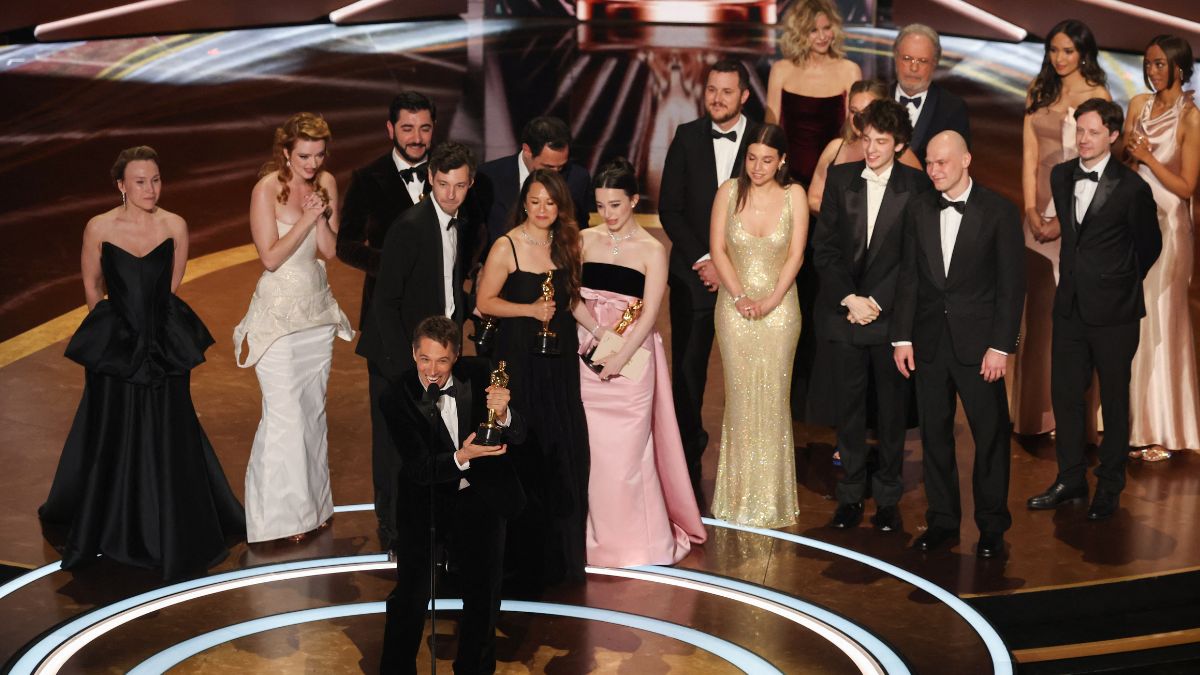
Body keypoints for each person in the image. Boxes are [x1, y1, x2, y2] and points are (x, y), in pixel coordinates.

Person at [39, 146, 245, 579]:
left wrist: (149, 332)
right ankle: (112, 526)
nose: (150, 188)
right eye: (140, 181)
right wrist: (117, 336)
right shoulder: (98, 227)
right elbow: (93, 289)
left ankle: (167, 527)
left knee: (168, 431)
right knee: (113, 431)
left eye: (155, 179)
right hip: (117, 348)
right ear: (121, 186)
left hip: (163, 345)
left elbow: (170, 286)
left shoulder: (175, 225)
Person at [1027, 98, 1161, 520]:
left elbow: (1149, 246)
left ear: (1113, 136)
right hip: (1070, 306)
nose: (1084, 140)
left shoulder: (1132, 187)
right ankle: (1069, 478)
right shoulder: (1063, 175)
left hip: (1115, 313)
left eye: (1093, 133)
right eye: (1080, 131)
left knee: (1115, 402)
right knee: (1066, 395)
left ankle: (1109, 486)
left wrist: (1115, 282)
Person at [892, 132, 1025, 558]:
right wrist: (902, 336)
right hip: (930, 343)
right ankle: (943, 521)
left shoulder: (999, 211)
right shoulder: (918, 208)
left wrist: (1001, 346)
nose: (933, 171)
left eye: (942, 163)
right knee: (934, 436)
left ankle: (991, 527)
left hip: (980, 347)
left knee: (989, 437)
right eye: (929, 163)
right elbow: (909, 277)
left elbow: (1011, 286)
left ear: (966, 159)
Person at [571, 158, 707, 566]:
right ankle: (594, 540)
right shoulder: (583, 239)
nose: (608, 214)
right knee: (593, 454)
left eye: (616, 204)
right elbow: (570, 296)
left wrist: (620, 355)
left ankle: (636, 543)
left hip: (633, 360)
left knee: (627, 457)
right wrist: (599, 338)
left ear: (633, 200)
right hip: (588, 354)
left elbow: (648, 314)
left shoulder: (651, 249)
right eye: (601, 205)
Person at [377, 316, 527, 674]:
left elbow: (520, 435)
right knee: (411, 598)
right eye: (425, 359)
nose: (432, 370)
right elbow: (418, 468)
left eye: (442, 360)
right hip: (425, 503)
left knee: (483, 596)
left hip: (479, 499)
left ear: (456, 356)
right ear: (413, 354)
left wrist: (505, 415)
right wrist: (463, 456)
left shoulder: (481, 374)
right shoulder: (395, 397)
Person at [234, 113, 354, 544]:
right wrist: (305, 218)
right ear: (285, 152)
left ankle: (315, 510)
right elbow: (269, 257)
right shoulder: (266, 189)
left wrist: (320, 215)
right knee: (284, 415)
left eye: (319, 155)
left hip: (316, 315)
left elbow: (329, 250)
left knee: (312, 413)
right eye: (304, 155)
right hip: (279, 319)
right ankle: (275, 522)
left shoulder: (328, 183)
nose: (312, 163)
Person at [355, 141, 480, 549]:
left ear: (470, 183)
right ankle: (392, 532)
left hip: (435, 354)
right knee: (394, 448)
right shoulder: (409, 227)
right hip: (399, 356)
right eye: (443, 184)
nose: (450, 194)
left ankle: (432, 530)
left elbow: (450, 285)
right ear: (431, 178)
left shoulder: (463, 222)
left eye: (459, 185)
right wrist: (405, 367)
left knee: (435, 441)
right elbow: (385, 302)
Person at [814, 98, 930, 532]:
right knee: (849, 412)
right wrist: (849, 298)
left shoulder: (915, 187)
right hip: (845, 314)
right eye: (867, 139)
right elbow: (824, 248)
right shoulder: (841, 178)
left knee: (892, 413)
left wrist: (876, 302)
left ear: (899, 144)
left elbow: (913, 258)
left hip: (890, 320)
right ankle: (849, 496)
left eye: (881, 141)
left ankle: (887, 499)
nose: (872, 149)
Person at [476, 169, 590, 592]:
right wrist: (529, 311)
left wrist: (603, 335)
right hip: (519, 359)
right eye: (536, 201)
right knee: (525, 447)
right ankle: (519, 559)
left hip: (558, 363)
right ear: (524, 201)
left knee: (562, 448)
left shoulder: (567, 244)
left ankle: (560, 557)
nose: (543, 210)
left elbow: (572, 300)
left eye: (551, 203)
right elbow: (485, 302)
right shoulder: (506, 246)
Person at [337, 91, 438, 549]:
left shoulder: (450, 175)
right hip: (386, 326)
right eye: (407, 129)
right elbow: (346, 246)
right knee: (391, 432)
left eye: (424, 129)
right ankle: (393, 526)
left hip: (441, 328)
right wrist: (398, 266)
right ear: (390, 129)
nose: (416, 138)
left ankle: (436, 522)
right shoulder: (368, 178)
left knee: (440, 423)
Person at [659, 58, 761, 505]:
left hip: (751, 280)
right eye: (711, 90)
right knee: (688, 373)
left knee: (750, 375)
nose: (717, 98)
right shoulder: (685, 137)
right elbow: (670, 209)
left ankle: (752, 464)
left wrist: (733, 268)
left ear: (744, 96)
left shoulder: (762, 139)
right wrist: (706, 260)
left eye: (726, 91)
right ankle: (686, 457)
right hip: (693, 277)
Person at [1013, 20, 1111, 437]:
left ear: (1084, 53)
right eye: (1054, 50)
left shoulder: (1098, 96)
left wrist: (1063, 221)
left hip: (1076, 217)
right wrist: (1032, 210)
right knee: (1038, 312)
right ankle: (1034, 412)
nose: (1059, 58)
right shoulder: (1040, 90)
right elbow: (1029, 155)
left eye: (1068, 51)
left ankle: (1070, 419)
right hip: (1036, 213)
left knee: (1070, 315)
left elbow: (1099, 167)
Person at [709, 124, 808, 528]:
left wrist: (769, 300)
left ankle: (772, 501)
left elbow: (796, 255)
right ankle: (736, 499)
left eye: (767, 160)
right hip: (734, 309)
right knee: (739, 398)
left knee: (772, 399)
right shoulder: (728, 192)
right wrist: (739, 297)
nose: (758, 167)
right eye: (751, 158)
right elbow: (717, 249)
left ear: (782, 160)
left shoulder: (794, 195)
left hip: (781, 310)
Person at [1125, 35, 1200, 461]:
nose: (1151, 71)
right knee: (1135, 319)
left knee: (1162, 320)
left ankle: (1164, 427)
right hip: (1135, 221)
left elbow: (1188, 186)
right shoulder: (1138, 104)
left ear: (1178, 67)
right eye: (1148, 63)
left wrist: (1150, 159)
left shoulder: (1191, 119)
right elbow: (1124, 157)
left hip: (1170, 228)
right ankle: (1136, 421)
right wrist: (1130, 151)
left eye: (1158, 64)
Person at [766, 0, 862, 187]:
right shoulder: (781, 70)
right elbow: (771, 127)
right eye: (813, 30)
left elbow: (855, 129)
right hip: (789, 176)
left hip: (834, 175)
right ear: (800, 33)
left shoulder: (849, 70)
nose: (822, 36)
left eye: (826, 28)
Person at [474, 116, 592, 248]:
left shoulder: (578, 178)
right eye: (548, 166)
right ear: (527, 151)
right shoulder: (488, 176)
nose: (555, 174)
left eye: (561, 167)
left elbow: (579, 230)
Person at [809, 79, 922, 215]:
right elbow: (814, 198)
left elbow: (920, 202)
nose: (858, 118)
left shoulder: (900, 153)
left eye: (866, 111)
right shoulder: (835, 148)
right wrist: (843, 219)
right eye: (853, 111)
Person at [891, 24, 971, 165]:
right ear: (895, 57)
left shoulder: (953, 109)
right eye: (907, 58)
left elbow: (957, 166)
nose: (913, 68)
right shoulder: (876, 98)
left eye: (922, 61)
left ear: (935, 63)